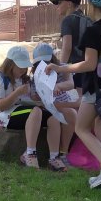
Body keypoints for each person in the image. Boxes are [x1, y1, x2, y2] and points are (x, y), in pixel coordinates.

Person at [45, 0, 101, 188]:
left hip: (95, 89)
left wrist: (61, 67)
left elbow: (89, 64)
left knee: (81, 128)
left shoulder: (93, 31)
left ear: (93, 4)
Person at [0, 45, 63, 170]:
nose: (23, 70)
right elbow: (0, 106)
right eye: (20, 67)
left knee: (53, 117)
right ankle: (30, 153)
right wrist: (17, 93)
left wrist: (40, 99)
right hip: (5, 115)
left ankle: (54, 157)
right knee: (36, 111)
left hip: (25, 111)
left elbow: (30, 99)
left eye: (25, 67)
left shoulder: (25, 79)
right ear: (10, 64)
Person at [31, 42, 77, 170]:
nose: (44, 64)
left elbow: (71, 83)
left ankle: (63, 152)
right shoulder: (35, 75)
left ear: (52, 58)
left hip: (62, 104)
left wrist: (58, 86)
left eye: (47, 61)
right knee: (57, 117)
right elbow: (34, 96)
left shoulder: (61, 67)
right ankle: (54, 157)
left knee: (71, 114)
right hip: (48, 106)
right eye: (40, 62)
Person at [51, 0, 91, 100]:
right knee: (89, 99)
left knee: (84, 101)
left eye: (59, 3)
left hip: (79, 65)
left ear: (69, 4)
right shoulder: (87, 19)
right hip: (91, 63)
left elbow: (67, 47)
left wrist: (62, 69)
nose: (57, 6)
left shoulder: (67, 20)